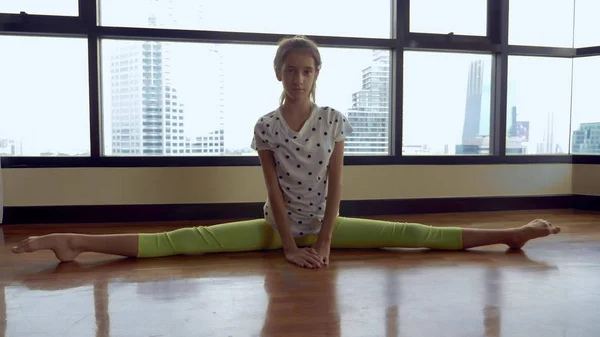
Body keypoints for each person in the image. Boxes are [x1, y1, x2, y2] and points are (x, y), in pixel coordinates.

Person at [11, 35, 561, 269]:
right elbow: (271, 189)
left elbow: (338, 185)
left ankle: (510, 234)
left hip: (325, 223)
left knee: (410, 236)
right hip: (275, 224)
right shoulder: (266, 126)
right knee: (185, 242)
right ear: (279, 73)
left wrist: (322, 241)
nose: (298, 77)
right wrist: (285, 246)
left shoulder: (334, 120)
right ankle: (74, 242)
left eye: (307, 70)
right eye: (290, 70)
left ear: (317, 74)